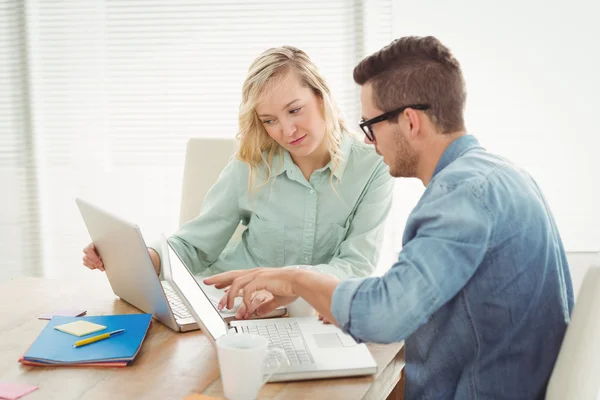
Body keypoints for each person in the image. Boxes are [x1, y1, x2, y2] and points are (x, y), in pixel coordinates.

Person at [205, 36, 574, 399]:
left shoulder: (461, 197)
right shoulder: (495, 174)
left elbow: (385, 314)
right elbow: (404, 293)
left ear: (410, 122)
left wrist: (294, 279)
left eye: (371, 125)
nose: (367, 141)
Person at [82, 45, 394, 319]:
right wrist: (136, 258)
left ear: (321, 96)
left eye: (295, 110)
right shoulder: (251, 164)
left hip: (309, 316)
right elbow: (195, 245)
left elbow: (356, 265)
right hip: (230, 306)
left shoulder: (373, 168)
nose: (287, 130)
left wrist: (287, 283)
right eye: (269, 120)